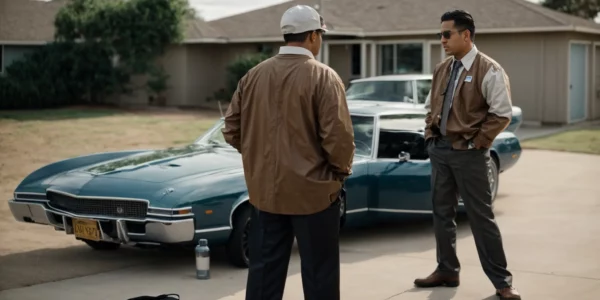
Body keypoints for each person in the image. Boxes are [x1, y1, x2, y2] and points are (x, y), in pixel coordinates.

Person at [221, 4, 355, 300]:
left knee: (264, 274)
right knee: (320, 274)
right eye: (320, 34)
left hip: (266, 193)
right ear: (312, 36)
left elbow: (231, 128)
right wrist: (339, 174)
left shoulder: (253, 75)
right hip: (315, 194)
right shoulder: (324, 77)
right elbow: (339, 139)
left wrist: (258, 157)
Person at [415, 10, 522, 300]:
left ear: (466, 35)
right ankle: (447, 270)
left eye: (447, 34)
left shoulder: (490, 70)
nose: (442, 40)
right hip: (440, 151)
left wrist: (478, 143)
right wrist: (430, 136)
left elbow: (502, 113)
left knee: (481, 218)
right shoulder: (442, 69)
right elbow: (430, 108)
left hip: (470, 155)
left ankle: (502, 282)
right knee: (442, 213)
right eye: (440, 34)